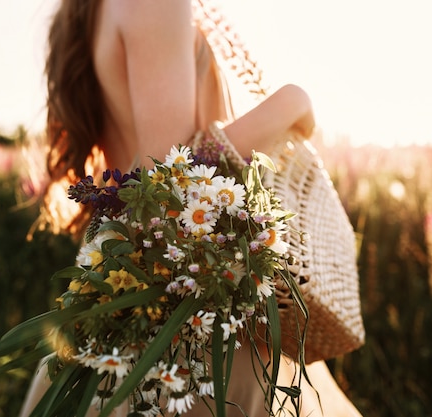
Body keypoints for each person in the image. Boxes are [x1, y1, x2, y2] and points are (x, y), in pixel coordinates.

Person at [21, 0, 362, 416]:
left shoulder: (92, 12)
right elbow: (173, 181)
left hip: (140, 292)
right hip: (189, 317)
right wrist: (290, 103)